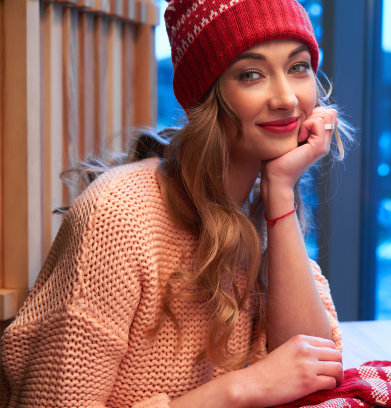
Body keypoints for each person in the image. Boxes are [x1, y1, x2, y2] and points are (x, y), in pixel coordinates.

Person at [0, 0, 353, 406]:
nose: (287, 98)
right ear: (206, 98)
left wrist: (279, 192)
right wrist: (236, 391)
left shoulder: (261, 203)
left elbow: (314, 368)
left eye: (298, 67)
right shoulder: (119, 214)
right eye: (251, 74)